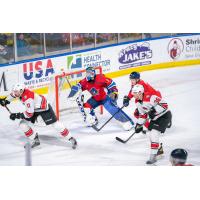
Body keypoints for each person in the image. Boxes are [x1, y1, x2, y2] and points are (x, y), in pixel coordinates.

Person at [0, 83, 77, 149]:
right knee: (22, 124)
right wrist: (6, 100)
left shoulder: (28, 98)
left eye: (16, 91)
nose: (14, 93)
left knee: (55, 124)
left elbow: (29, 114)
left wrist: (17, 115)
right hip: (34, 109)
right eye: (14, 91)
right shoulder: (20, 92)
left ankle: (71, 138)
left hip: (44, 109)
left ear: (21, 91)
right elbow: (13, 95)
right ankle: (35, 140)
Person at [68, 66, 134, 131]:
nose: (90, 75)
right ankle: (93, 120)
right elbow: (78, 86)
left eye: (92, 73)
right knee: (86, 107)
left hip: (105, 98)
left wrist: (114, 92)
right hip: (95, 99)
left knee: (112, 108)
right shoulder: (84, 81)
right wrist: (74, 92)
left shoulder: (100, 78)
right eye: (88, 73)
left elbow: (111, 83)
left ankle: (127, 122)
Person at [126, 84, 172, 164]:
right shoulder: (137, 102)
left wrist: (154, 110)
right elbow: (143, 114)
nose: (133, 95)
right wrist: (139, 124)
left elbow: (165, 105)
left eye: (135, 93)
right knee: (150, 135)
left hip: (164, 116)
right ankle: (159, 151)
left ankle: (153, 157)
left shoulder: (151, 97)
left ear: (140, 93)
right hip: (155, 119)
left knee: (154, 134)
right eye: (133, 93)